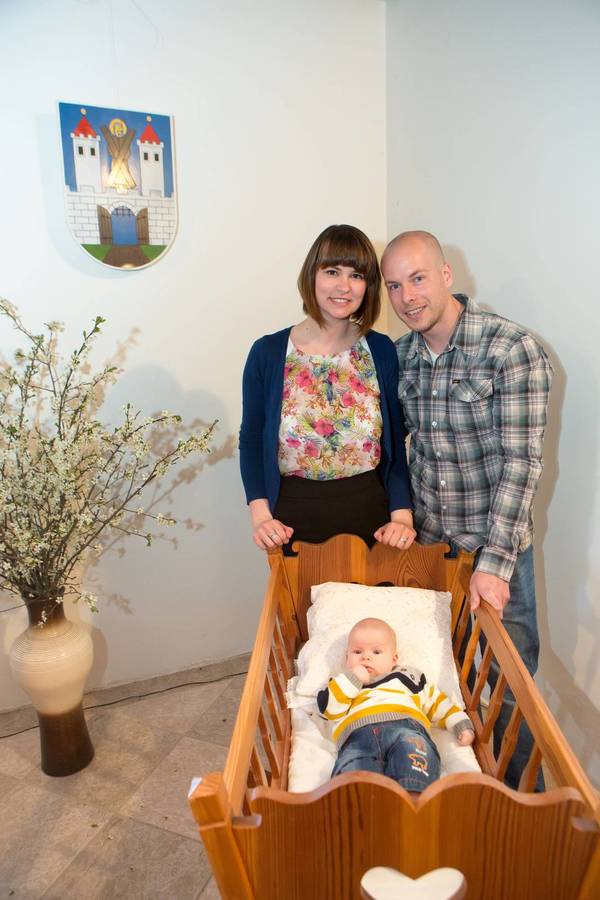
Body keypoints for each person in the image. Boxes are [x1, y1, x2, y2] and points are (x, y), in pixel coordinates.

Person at [381, 230, 553, 789]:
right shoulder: (400, 356)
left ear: (446, 274)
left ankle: (527, 810)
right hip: (433, 548)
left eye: (418, 278)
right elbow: (395, 451)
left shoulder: (511, 349)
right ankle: (464, 795)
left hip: (495, 551)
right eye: (394, 286)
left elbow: (521, 464)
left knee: (510, 688)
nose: (407, 297)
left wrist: (494, 564)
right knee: (443, 674)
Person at [239, 224, 415, 552]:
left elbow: (394, 443)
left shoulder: (380, 350)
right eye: (332, 271)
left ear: (368, 286)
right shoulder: (267, 353)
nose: (344, 286)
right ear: (312, 275)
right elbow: (251, 441)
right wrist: (261, 516)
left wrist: (402, 516)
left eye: (356, 275)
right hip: (291, 523)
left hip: (373, 521)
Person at [317, 617, 474, 794]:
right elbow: (329, 710)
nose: (366, 657)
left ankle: (412, 797)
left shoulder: (408, 677)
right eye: (357, 652)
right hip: (358, 737)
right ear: (347, 659)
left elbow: (437, 702)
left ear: (394, 659)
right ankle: (359, 803)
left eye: (376, 652)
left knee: (413, 754)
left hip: (405, 728)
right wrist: (353, 678)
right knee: (353, 771)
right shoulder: (343, 683)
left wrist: (459, 723)